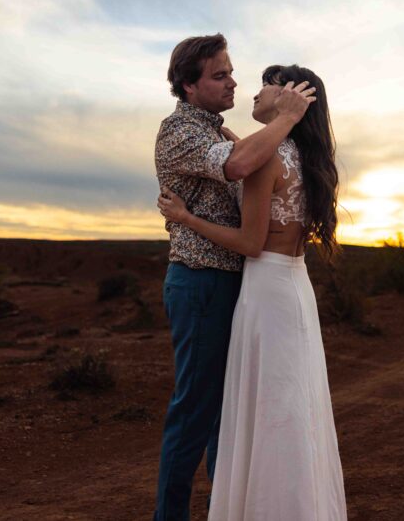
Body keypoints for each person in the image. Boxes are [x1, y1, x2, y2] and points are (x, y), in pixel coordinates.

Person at [158, 64, 347, 520]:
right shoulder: (307, 156)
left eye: (266, 83)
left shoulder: (268, 158)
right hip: (294, 286)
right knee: (290, 405)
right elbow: (237, 145)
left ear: (287, 99)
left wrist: (185, 218)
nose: (251, 90)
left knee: (266, 411)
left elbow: (248, 242)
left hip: (265, 291)